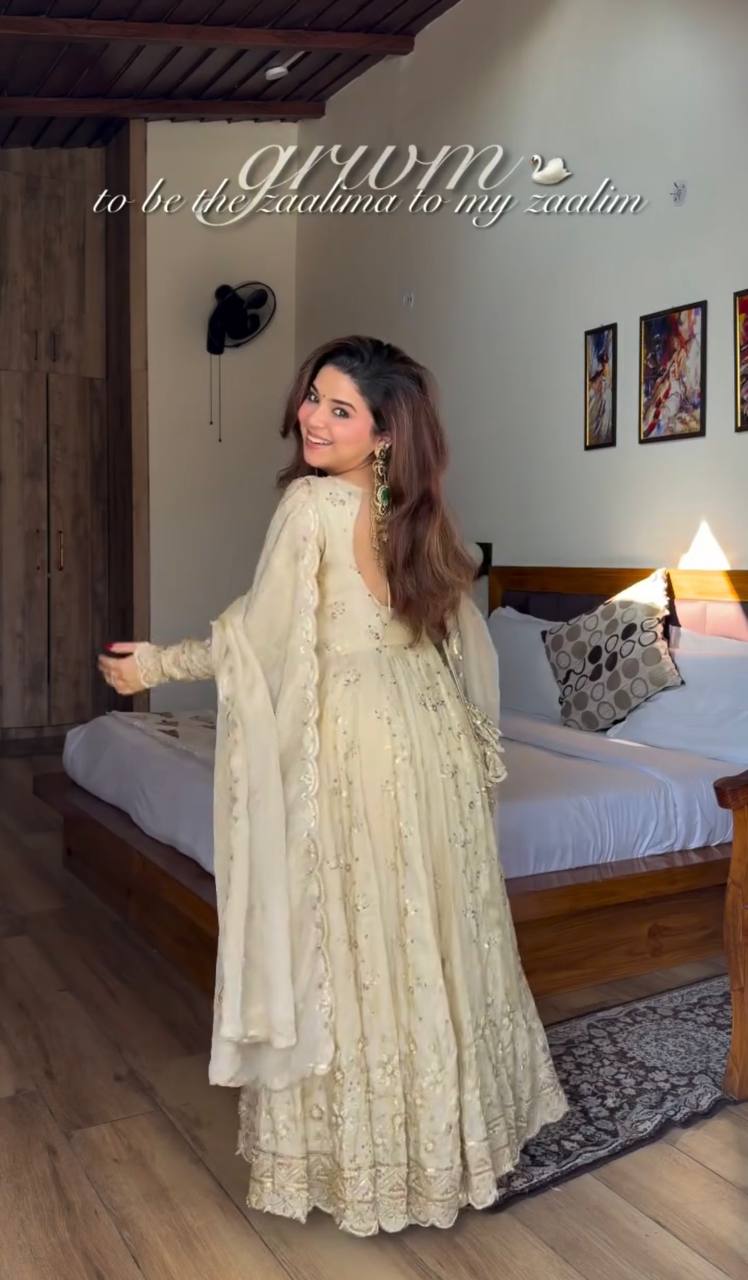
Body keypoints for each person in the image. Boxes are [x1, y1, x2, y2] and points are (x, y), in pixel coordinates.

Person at [98, 335, 568, 1236]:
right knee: (430, 926)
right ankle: (452, 1143)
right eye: (314, 396)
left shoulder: (312, 505)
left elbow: (257, 640)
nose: (312, 417)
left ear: (384, 435)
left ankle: (372, 1160)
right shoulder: (419, 516)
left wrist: (155, 664)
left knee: (352, 935)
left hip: (356, 745)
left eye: (339, 409)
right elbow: (456, 643)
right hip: (429, 741)